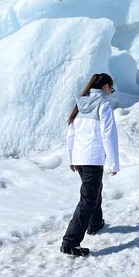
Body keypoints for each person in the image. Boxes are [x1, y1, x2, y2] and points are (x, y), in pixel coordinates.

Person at [60, 73, 120, 257]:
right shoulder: (103, 105)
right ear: (106, 86)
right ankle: (70, 242)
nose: (112, 92)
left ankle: (95, 223)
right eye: (112, 88)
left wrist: (72, 158)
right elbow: (108, 135)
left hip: (80, 158)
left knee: (94, 190)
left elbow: (71, 133)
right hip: (92, 159)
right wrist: (114, 163)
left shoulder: (81, 104)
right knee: (88, 199)